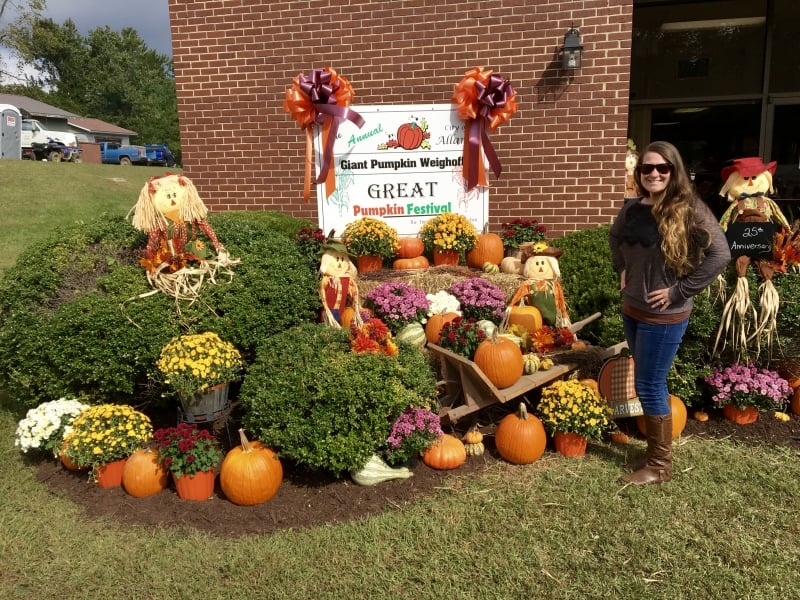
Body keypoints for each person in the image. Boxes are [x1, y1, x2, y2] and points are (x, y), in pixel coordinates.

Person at [609, 141, 731, 485]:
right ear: (639, 173)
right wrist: (622, 268)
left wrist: (680, 291)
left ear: (674, 171)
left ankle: (659, 466)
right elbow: (614, 238)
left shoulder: (689, 208)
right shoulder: (633, 208)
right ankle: (653, 454)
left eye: (663, 168)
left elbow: (720, 254)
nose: (654, 174)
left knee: (649, 384)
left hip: (664, 316)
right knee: (647, 380)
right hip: (632, 307)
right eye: (647, 168)